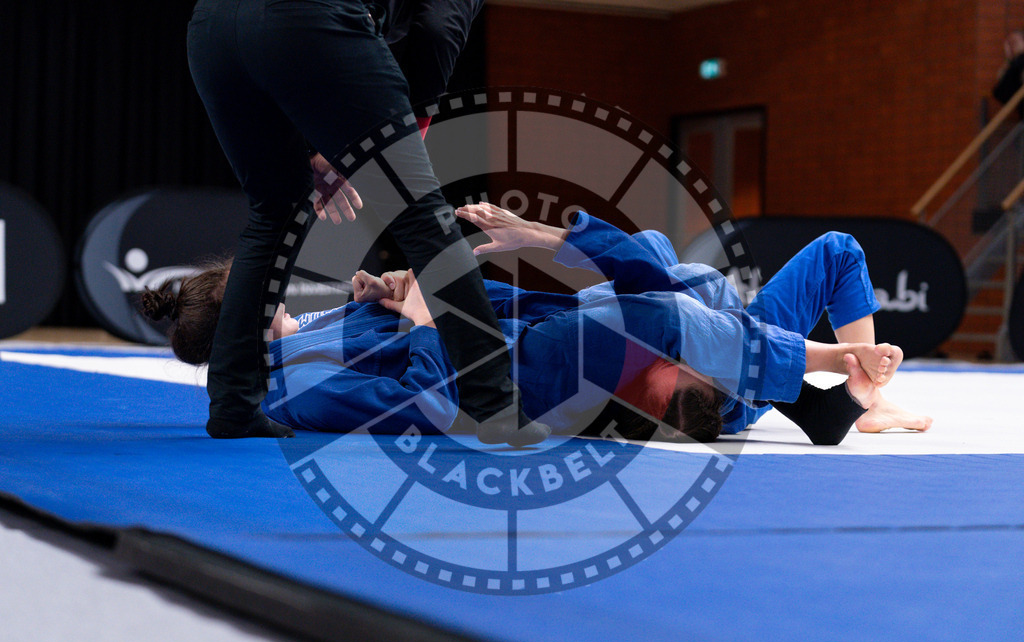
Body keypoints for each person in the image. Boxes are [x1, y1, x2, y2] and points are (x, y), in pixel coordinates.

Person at [141, 204, 931, 445]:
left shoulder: (306, 341)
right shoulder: (295, 392)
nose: (285, 302)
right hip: (546, 377)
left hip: (558, 345)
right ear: (247, 327)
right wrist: (419, 319)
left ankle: (847, 395)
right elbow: (425, 403)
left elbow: (405, 336)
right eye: (271, 303)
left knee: (674, 265)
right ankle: (830, 374)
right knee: (666, 304)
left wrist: (374, 295)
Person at [186, 0, 544, 446]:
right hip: (307, 21)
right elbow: (436, 30)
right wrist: (395, 142)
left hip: (212, 28)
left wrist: (334, 146)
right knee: (421, 216)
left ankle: (233, 406)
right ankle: (495, 405)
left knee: (274, 213)